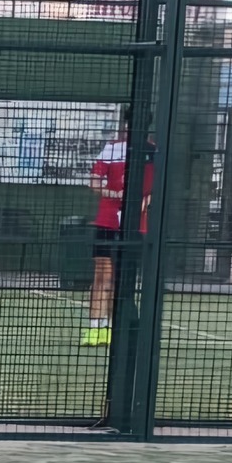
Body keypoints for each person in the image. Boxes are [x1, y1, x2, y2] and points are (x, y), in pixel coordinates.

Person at [86, 109, 152, 347]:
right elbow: (94, 183)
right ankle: (95, 330)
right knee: (102, 275)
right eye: (128, 125)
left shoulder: (152, 152)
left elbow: (153, 191)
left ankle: (115, 329)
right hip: (107, 222)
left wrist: (142, 202)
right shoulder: (112, 148)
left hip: (135, 226)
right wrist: (113, 193)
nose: (129, 129)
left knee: (122, 279)